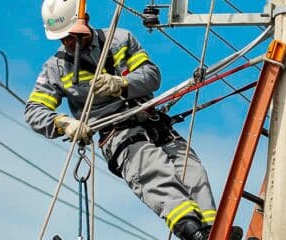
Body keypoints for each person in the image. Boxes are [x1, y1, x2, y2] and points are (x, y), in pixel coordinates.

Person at [25, 0, 224, 239]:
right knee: (155, 173)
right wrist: (64, 123)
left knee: (193, 172)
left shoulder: (120, 40)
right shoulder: (56, 69)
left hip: (152, 120)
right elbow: (34, 110)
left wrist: (123, 84)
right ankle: (194, 233)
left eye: (71, 35)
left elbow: (152, 76)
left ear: (84, 21)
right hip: (118, 134)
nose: (68, 42)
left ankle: (215, 231)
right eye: (63, 37)